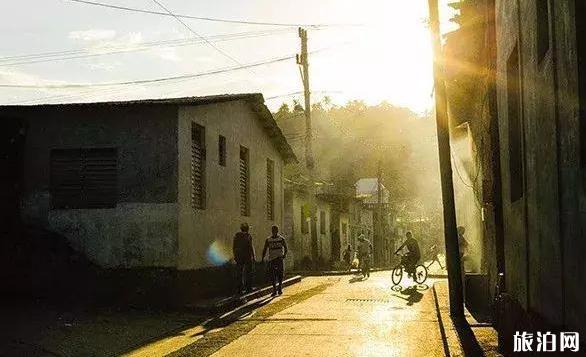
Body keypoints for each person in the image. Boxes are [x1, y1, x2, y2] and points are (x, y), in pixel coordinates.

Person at [262, 225, 288, 296]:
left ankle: (279, 287)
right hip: (272, 259)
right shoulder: (268, 240)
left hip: (278, 259)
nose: (274, 232)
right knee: (273, 275)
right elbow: (265, 249)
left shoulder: (281, 239)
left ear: (277, 231)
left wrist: (284, 255)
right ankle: (275, 289)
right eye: (273, 231)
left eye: (275, 231)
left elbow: (286, 248)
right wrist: (263, 258)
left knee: (279, 274)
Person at [232, 222, 256, 295]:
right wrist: (253, 256)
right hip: (247, 256)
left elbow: (234, 246)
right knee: (248, 272)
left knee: (239, 273)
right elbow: (250, 247)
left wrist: (235, 255)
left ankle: (239, 289)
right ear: (247, 229)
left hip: (239, 256)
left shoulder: (237, 236)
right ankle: (248, 288)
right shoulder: (248, 236)